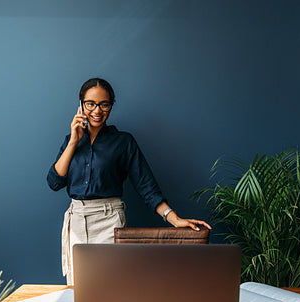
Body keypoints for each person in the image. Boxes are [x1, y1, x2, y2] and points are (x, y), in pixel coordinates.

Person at [47, 78, 211, 284]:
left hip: (108, 221)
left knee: (110, 287)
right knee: (78, 291)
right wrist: (73, 141)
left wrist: (174, 218)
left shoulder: (123, 142)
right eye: (90, 104)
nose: (97, 110)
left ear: (111, 106)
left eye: (104, 104)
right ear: (80, 104)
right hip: (76, 221)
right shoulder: (70, 140)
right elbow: (54, 182)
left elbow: (146, 186)